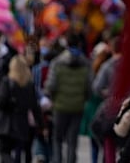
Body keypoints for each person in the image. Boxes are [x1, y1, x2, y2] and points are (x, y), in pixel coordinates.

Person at [44, 30, 92, 163]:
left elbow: (51, 85)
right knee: (72, 140)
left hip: (60, 106)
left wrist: (51, 97)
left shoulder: (57, 62)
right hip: (77, 107)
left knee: (57, 138)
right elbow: (89, 87)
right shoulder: (86, 64)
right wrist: (83, 99)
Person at [0, 54, 44, 163]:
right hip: (21, 124)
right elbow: (34, 106)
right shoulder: (29, 85)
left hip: (6, 124)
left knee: (4, 152)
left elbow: (1, 103)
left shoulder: (7, 81)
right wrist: (41, 124)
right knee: (18, 152)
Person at [91, 35, 123, 163]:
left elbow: (96, 87)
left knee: (109, 145)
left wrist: (108, 94)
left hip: (111, 110)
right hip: (128, 110)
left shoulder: (107, 66)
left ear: (113, 49)